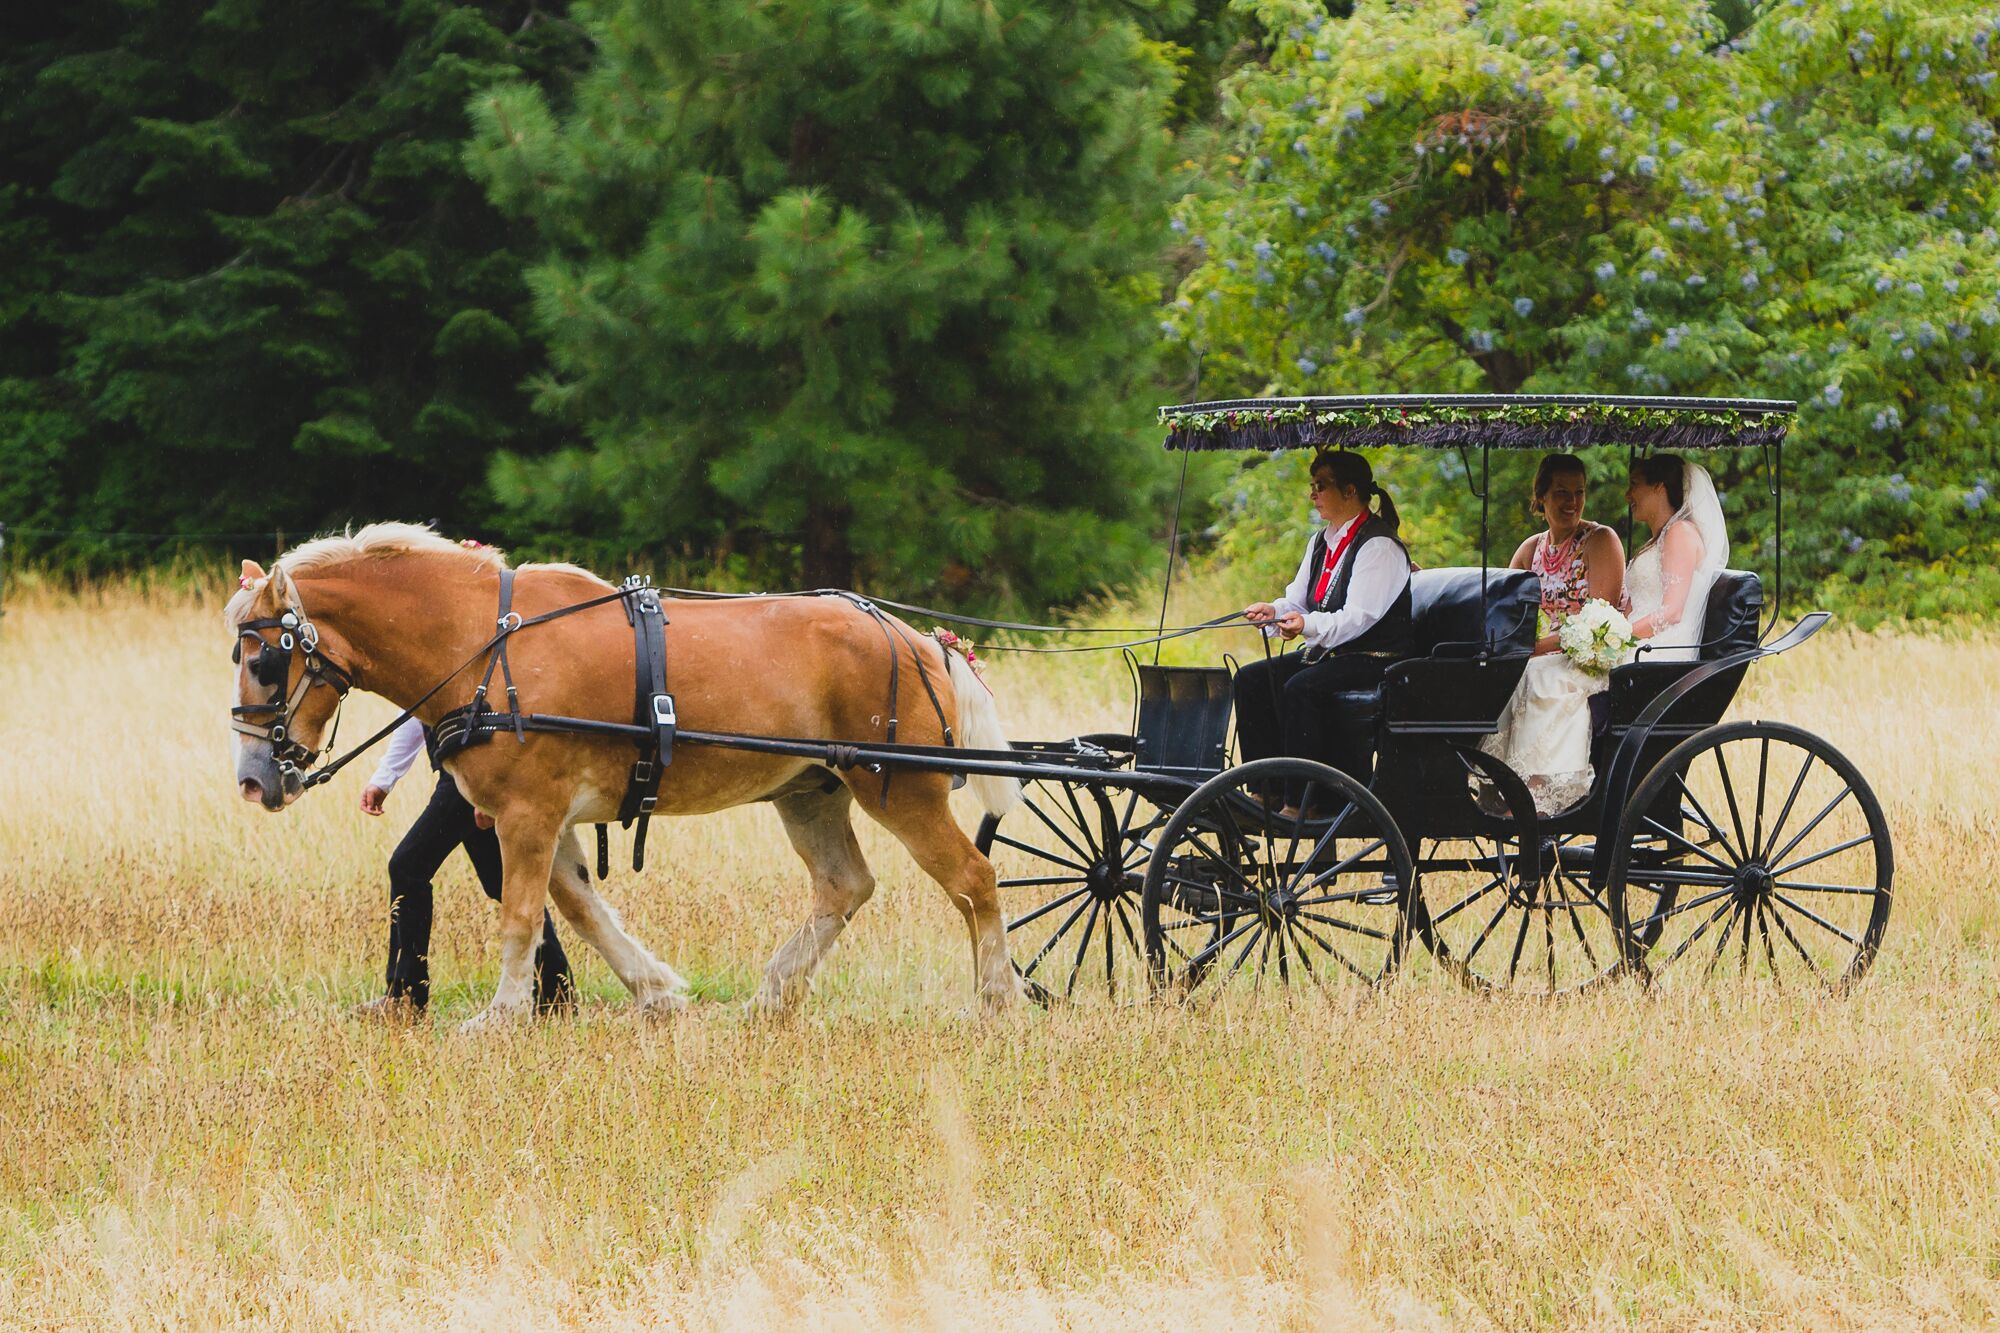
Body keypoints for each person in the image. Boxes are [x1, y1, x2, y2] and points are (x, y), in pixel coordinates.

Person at [1480, 453, 1728, 814]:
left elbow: (1671, 612)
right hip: (1626, 641)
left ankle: (1544, 792)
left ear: (1658, 488)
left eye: (1634, 486)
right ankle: (1509, 785)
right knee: (1525, 674)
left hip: (1654, 650)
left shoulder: (1677, 533)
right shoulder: (1660, 537)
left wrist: (1610, 634)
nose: (1628, 495)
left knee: (1547, 677)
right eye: (1562, 492)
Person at [354, 716, 577, 1018]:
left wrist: (486, 793)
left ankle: (405, 999)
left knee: (408, 867)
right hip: (463, 775)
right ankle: (555, 991)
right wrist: (385, 777)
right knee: (502, 880)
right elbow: (416, 709)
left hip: (472, 774)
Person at [1236, 449, 1414, 808]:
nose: (1312, 494)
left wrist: (1306, 625)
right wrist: (1275, 612)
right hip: (1334, 653)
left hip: (1376, 657)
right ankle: (1265, 789)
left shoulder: (1378, 545)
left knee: (1301, 688)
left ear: (1349, 491)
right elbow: (1299, 601)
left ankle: (1304, 801)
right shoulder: (1320, 541)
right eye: (1312, 485)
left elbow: (1359, 616)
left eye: (1321, 485)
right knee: (1250, 680)